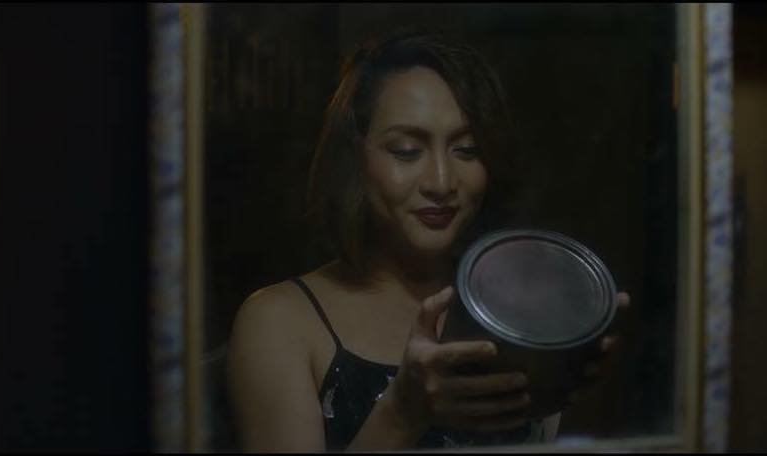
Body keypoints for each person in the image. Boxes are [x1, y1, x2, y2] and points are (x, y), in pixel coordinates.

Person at [227, 29, 631, 452]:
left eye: (467, 149)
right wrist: (404, 411)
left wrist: (580, 382)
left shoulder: (520, 306)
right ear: (356, 157)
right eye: (406, 150)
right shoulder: (280, 322)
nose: (441, 182)